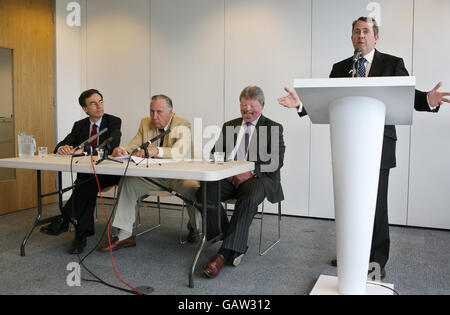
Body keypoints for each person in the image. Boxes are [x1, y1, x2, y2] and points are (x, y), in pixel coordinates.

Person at [279, 17, 450, 279]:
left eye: (366, 31)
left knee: (376, 205)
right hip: (346, 147)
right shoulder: (340, 68)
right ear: (351, 37)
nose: (361, 35)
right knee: (349, 203)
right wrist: (301, 105)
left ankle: (376, 261)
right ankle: (352, 255)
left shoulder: (392, 64)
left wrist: (428, 98)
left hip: (379, 146)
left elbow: (408, 96)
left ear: (376, 37)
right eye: (357, 31)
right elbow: (326, 100)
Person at [200, 86, 285, 278]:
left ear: (261, 106)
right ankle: (227, 235)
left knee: (250, 194)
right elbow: (215, 153)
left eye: (251, 106)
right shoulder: (230, 125)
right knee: (204, 191)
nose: (247, 110)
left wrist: (250, 170)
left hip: (258, 178)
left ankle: (223, 253)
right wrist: (227, 169)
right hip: (230, 176)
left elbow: (276, 162)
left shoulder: (273, 127)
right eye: (243, 106)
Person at [97, 94, 201, 252]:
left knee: (192, 187)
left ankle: (195, 227)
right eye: (152, 111)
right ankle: (124, 235)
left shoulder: (182, 124)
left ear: (171, 112)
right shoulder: (145, 122)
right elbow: (134, 144)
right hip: (153, 175)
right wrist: (122, 149)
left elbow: (179, 152)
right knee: (128, 182)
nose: (154, 116)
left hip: (179, 175)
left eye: (159, 112)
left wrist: (156, 150)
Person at [40, 89, 122, 254]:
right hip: (89, 175)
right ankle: (81, 233)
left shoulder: (113, 121)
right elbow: (63, 144)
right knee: (87, 185)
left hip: (111, 174)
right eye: (93, 103)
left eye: (101, 101)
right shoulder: (80, 126)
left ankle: (65, 219)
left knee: (84, 184)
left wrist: (83, 151)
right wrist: (63, 148)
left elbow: (110, 145)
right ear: (85, 109)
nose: (99, 106)